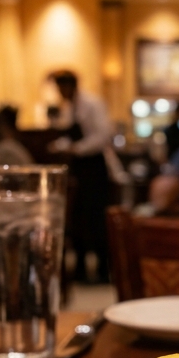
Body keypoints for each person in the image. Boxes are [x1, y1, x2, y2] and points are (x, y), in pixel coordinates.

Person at [47, 70, 113, 281]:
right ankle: (81, 270)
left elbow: (104, 134)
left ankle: (103, 271)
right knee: (79, 218)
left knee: (96, 219)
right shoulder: (69, 108)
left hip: (94, 167)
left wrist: (78, 149)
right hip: (79, 169)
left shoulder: (92, 104)